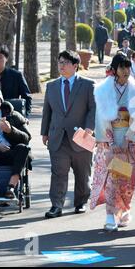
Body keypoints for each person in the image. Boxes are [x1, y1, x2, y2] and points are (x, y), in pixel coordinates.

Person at [91, 54, 135, 231]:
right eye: (122, 67)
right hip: (110, 141)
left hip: (129, 141)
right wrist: (111, 142)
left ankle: (122, 210)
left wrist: (128, 139)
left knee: (127, 180)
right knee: (111, 179)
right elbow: (101, 118)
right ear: (114, 70)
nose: (125, 71)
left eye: (127, 67)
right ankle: (110, 215)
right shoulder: (103, 90)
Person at [41, 50, 96, 218]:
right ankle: (56, 205)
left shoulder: (88, 85)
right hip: (58, 137)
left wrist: (89, 128)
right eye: (60, 62)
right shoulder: (51, 86)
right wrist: (44, 132)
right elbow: (47, 111)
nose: (61, 65)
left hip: (81, 137)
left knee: (82, 173)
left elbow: (93, 109)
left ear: (75, 65)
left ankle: (81, 202)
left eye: (65, 62)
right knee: (58, 173)